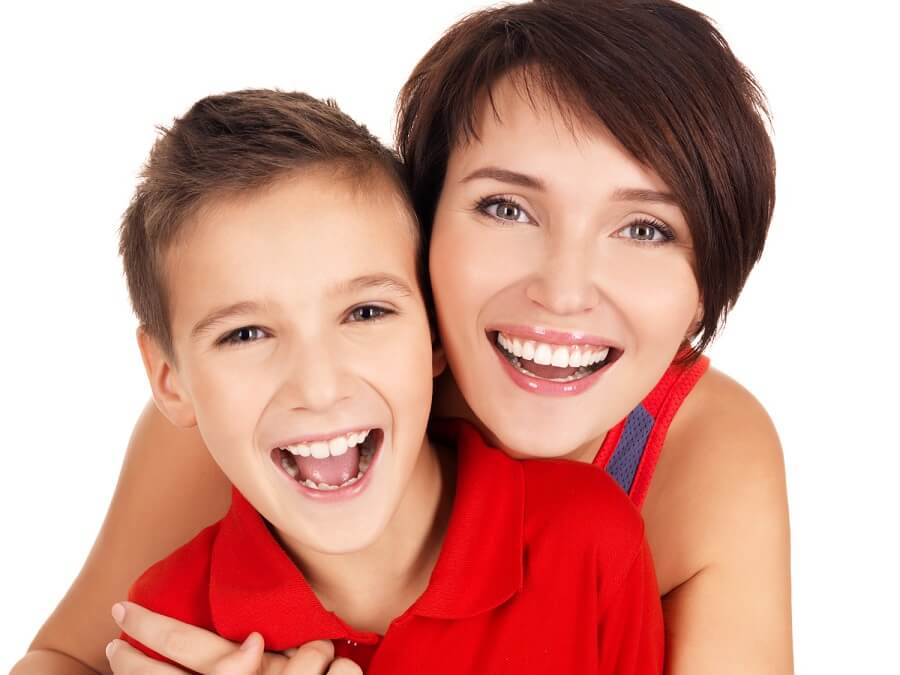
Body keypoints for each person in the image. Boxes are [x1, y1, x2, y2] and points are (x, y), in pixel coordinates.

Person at [13, 2, 791, 674]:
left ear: (707, 281)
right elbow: (72, 654)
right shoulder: (261, 405)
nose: (563, 290)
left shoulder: (696, 459)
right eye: (507, 209)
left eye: (646, 227)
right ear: (423, 222)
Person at [106, 88, 663, 674]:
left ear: (434, 331)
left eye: (366, 313)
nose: (319, 388)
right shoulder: (166, 631)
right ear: (170, 381)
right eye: (245, 335)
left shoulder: (587, 543)